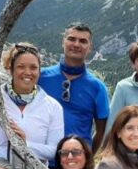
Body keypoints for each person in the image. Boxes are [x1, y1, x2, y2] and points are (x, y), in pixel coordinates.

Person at [0, 42, 64, 169]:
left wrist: (25, 145)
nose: (27, 72)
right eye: (21, 67)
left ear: (39, 71)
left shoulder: (53, 106)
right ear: (11, 69)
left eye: (33, 67)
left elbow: (55, 150)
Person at [40, 23, 110, 153]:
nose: (76, 44)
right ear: (63, 42)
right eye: (71, 39)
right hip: (42, 156)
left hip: (76, 160)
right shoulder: (41, 77)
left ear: (90, 47)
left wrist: (88, 157)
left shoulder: (97, 88)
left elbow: (101, 131)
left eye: (83, 41)